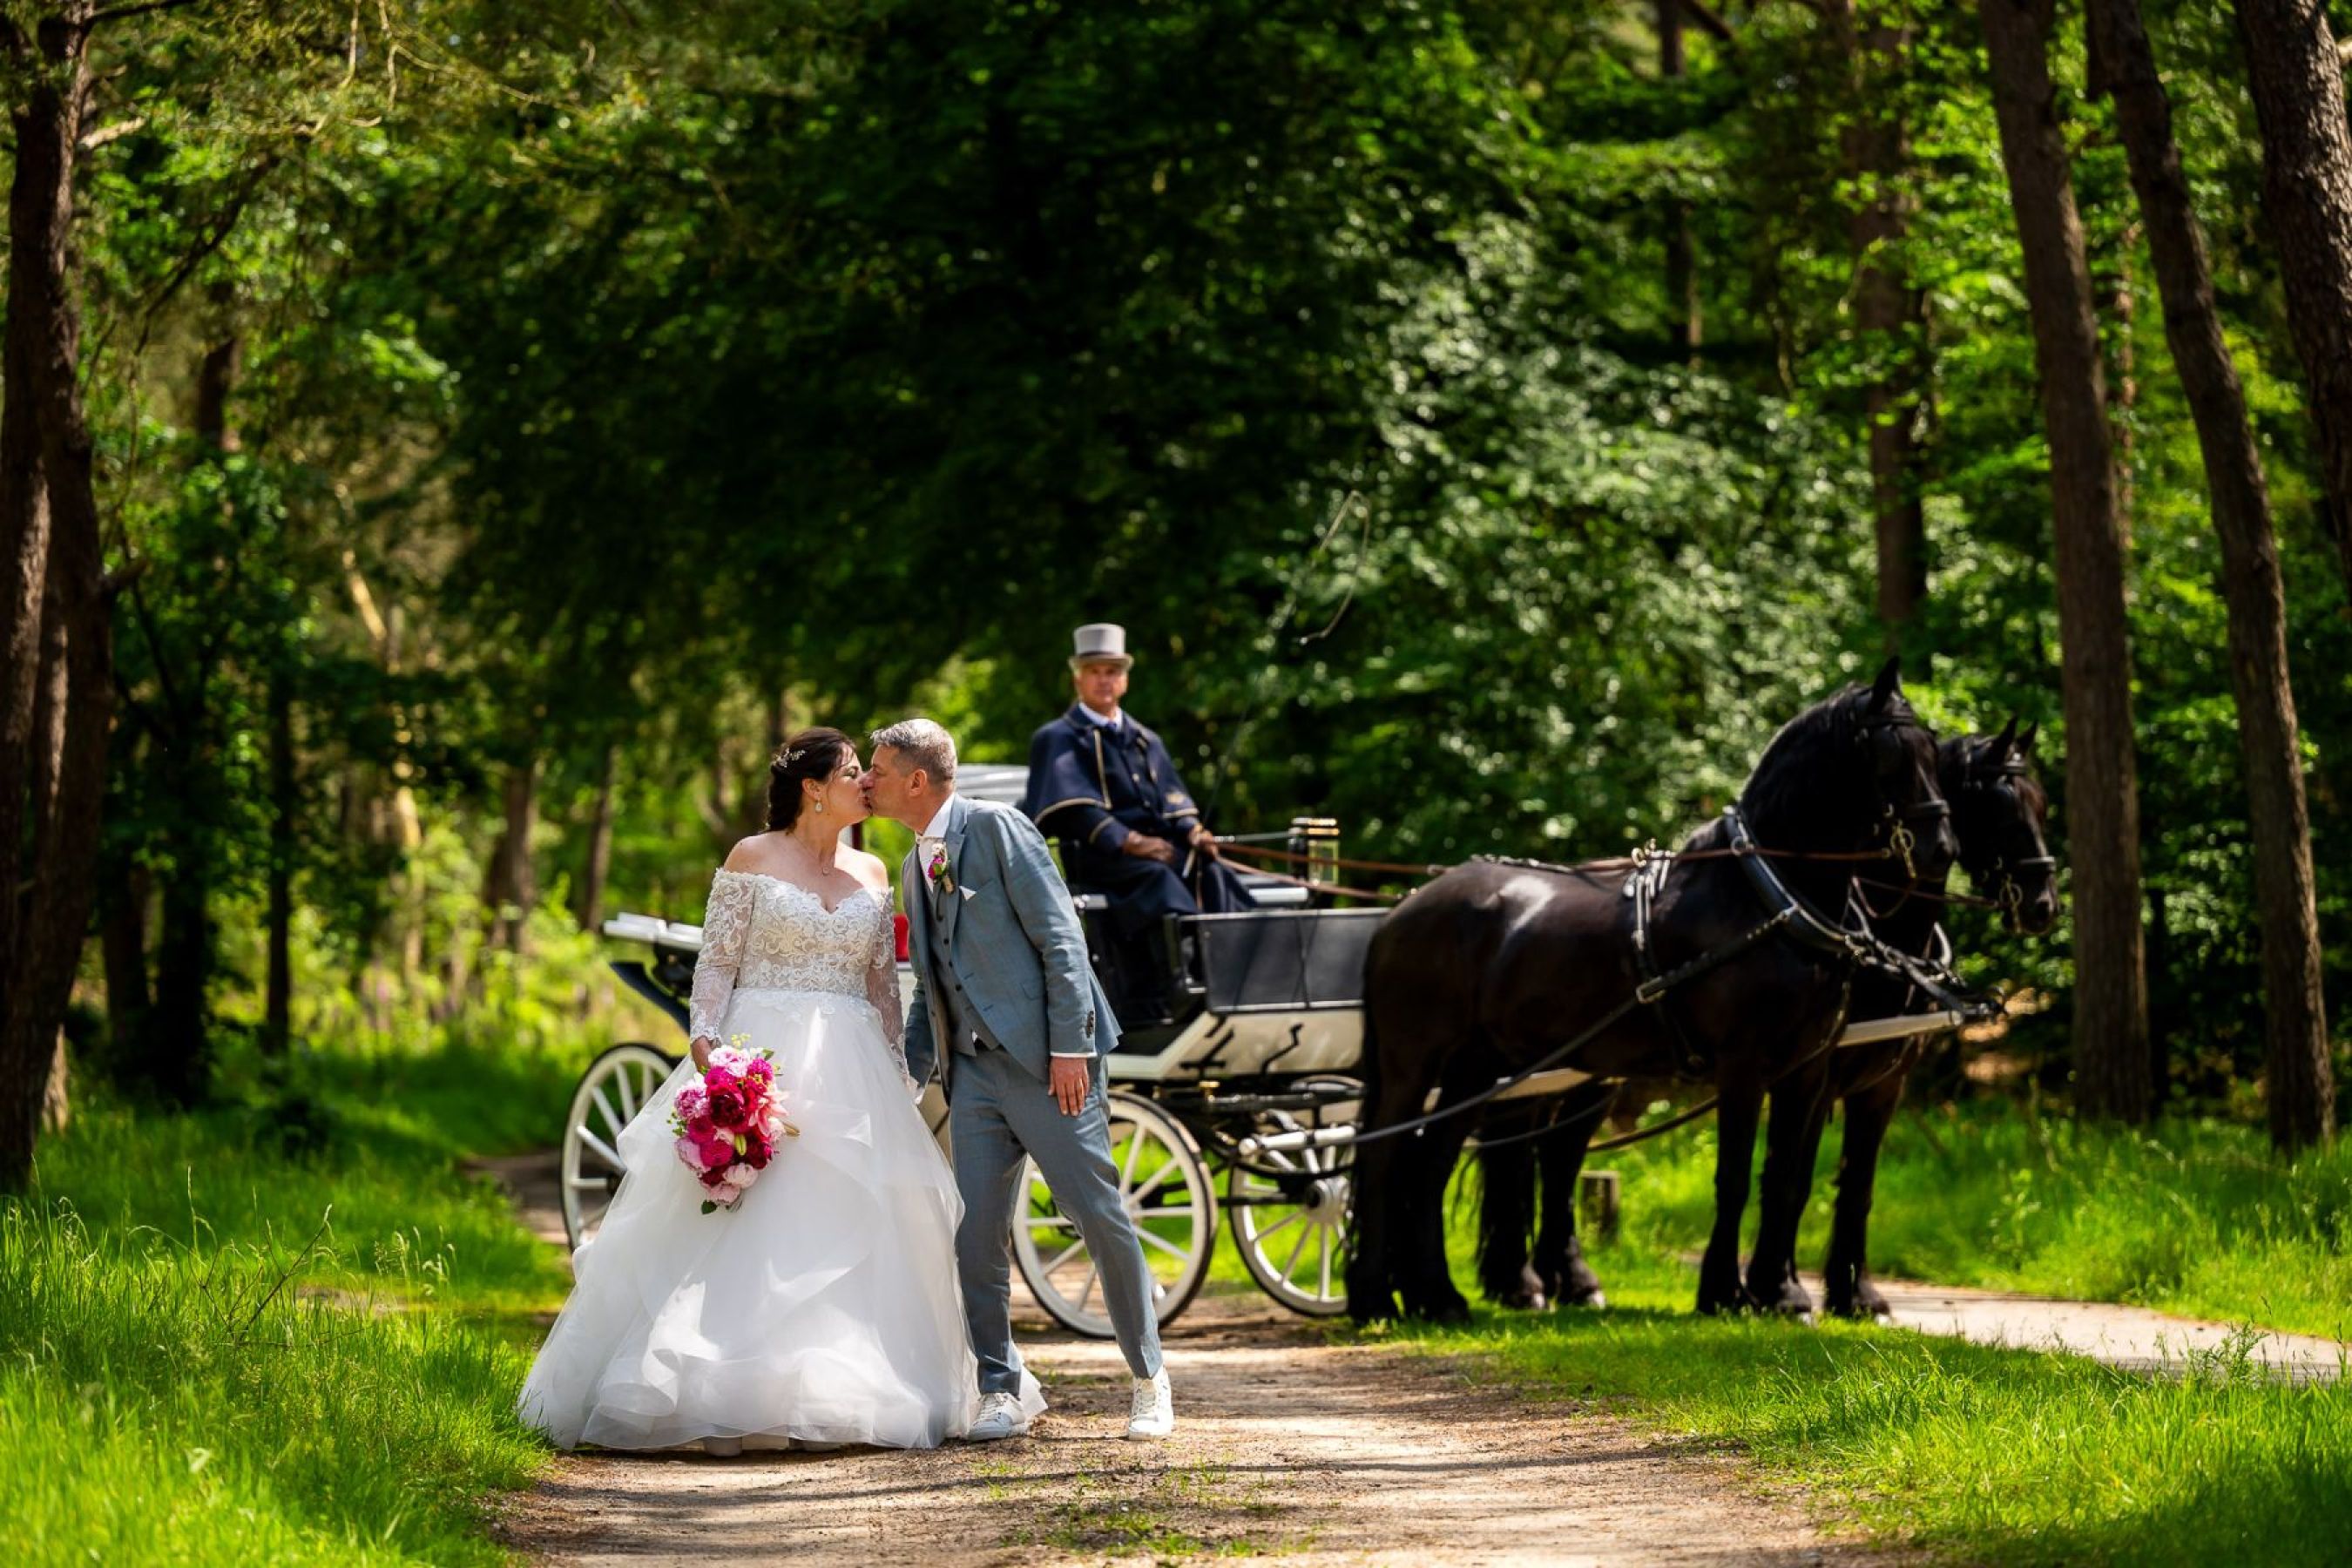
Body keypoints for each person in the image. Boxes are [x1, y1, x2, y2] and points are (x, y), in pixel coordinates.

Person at [517, 728, 1042, 1453]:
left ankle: (852, 1383)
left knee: (850, 1221)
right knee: (746, 1219)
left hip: (854, 1063)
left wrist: (897, 1074)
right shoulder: (751, 858)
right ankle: (724, 1387)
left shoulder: (875, 870)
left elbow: (882, 987)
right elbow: (716, 965)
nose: (868, 782)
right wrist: (709, 1052)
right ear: (813, 788)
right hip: (760, 1049)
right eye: (856, 772)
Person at [862, 718, 1176, 1442]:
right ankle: (999, 1388)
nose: (867, 781)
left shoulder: (1000, 829)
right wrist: (906, 1080)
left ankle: (1149, 1379)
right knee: (974, 1234)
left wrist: (1071, 1047)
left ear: (918, 779)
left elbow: (1061, 939)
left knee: (1097, 1215)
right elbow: (929, 987)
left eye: (878, 769)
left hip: (1047, 1064)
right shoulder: (914, 864)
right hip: (972, 1075)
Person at [1021, 623, 1254, 1015]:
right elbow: (1073, 810)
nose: (1104, 680)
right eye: (1095, 671)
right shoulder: (1058, 737)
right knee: (1160, 880)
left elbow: (1175, 803)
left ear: (1125, 679)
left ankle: (1236, 975)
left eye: (1112, 671)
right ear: (1078, 677)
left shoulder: (1147, 739)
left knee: (1212, 872)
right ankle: (1180, 987)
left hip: (1161, 851)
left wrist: (1195, 832)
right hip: (1105, 859)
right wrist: (1130, 842)